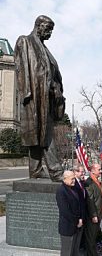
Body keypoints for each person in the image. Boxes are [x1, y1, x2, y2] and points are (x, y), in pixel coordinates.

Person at [15, 15, 65, 181]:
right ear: (39, 25)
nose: (50, 33)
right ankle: (56, 171)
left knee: (40, 135)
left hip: (47, 98)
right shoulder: (25, 41)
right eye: (48, 28)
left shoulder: (46, 50)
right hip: (34, 96)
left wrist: (56, 88)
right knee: (43, 135)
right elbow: (21, 68)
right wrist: (26, 94)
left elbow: (51, 74)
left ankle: (35, 170)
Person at [56, 170, 83, 256]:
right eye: (72, 179)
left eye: (74, 179)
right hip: (68, 227)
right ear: (65, 179)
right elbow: (65, 211)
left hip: (77, 225)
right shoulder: (61, 191)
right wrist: (76, 222)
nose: (74, 181)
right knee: (67, 252)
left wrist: (81, 219)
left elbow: (80, 204)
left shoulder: (74, 188)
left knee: (75, 250)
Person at [84, 163, 102, 256]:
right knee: (91, 237)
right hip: (93, 215)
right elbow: (90, 201)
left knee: (94, 236)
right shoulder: (89, 182)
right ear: (92, 171)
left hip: (99, 213)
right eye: (99, 169)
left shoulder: (96, 181)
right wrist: (94, 215)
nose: (101, 171)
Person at [72, 165, 86, 253]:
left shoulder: (81, 182)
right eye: (81, 172)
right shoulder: (73, 184)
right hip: (78, 216)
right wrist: (79, 217)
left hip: (83, 214)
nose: (83, 173)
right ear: (75, 172)